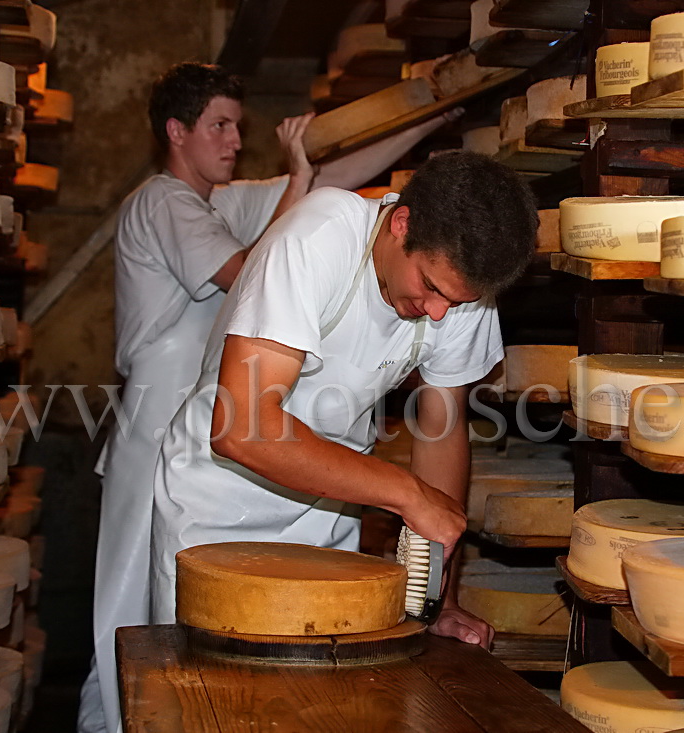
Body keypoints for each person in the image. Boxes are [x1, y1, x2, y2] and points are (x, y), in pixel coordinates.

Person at [80, 62, 459, 733]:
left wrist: (432, 114)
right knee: (129, 597)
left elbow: (333, 191)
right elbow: (251, 263)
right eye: (218, 125)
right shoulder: (161, 199)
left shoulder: (220, 203)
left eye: (238, 126)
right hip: (154, 416)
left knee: (162, 592)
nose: (232, 140)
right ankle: (113, 721)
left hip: (204, 403)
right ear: (176, 132)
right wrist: (300, 180)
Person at [149, 150, 540, 646]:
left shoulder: (460, 288)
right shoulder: (318, 239)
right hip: (217, 502)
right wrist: (406, 493)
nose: (439, 313)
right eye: (430, 286)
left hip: (328, 504)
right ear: (401, 223)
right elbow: (243, 430)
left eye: (455, 302)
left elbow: (440, 428)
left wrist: (436, 599)